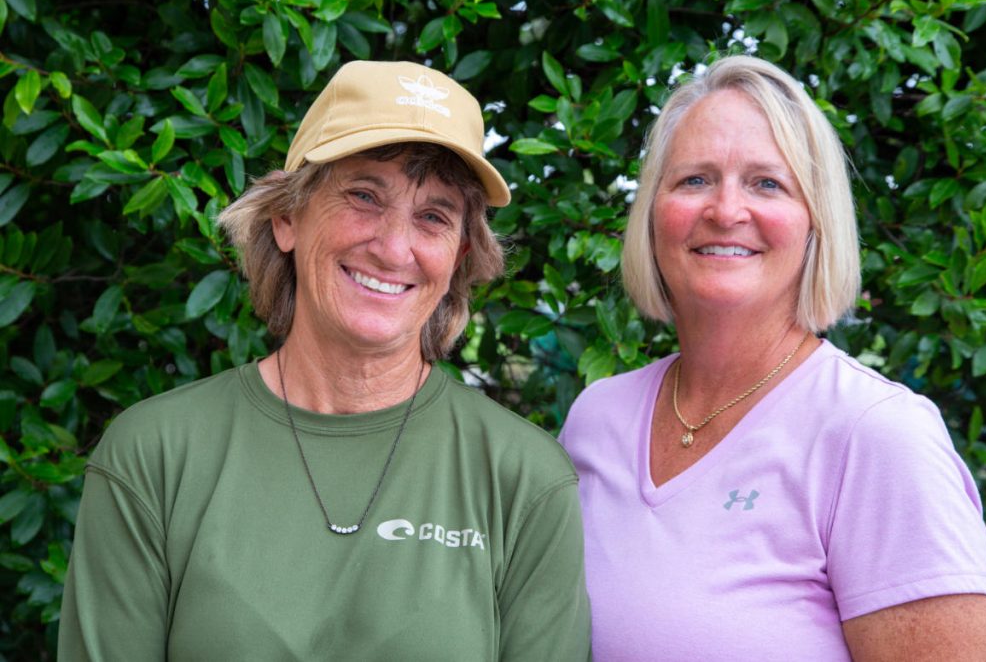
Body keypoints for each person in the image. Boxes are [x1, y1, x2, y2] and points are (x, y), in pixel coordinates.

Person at [59, 60, 590, 661]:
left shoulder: (525, 480)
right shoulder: (155, 455)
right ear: (287, 217)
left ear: (459, 254)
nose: (394, 248)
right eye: (364, 196)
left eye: (433, 217)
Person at [559, 54, 986, 661]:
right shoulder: (596, 419)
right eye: (694, 180)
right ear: (652, 215)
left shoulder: (878, 435)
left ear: (816, 224)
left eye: (767, 183)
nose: (726, 210)